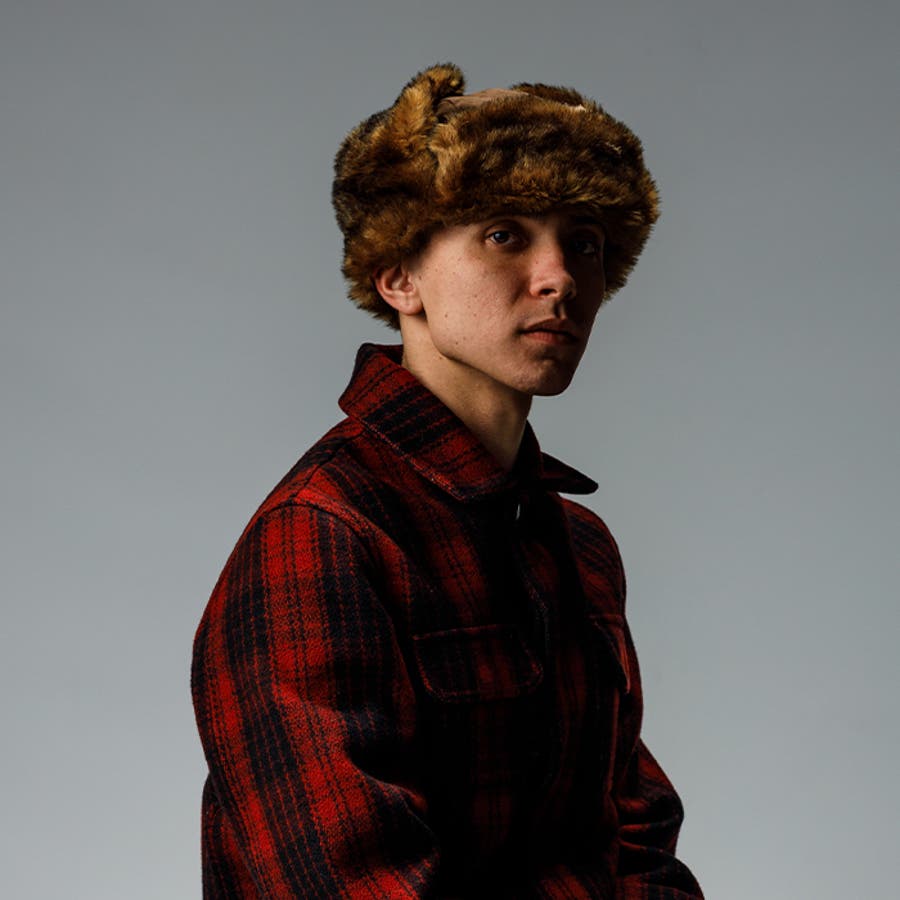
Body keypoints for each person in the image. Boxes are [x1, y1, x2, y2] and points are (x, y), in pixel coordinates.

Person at [192, 62, 704, 898]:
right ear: (399, 277)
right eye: (504, 234)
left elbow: (631, 832)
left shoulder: (577, 546)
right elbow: (348, 882)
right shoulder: (321, 535)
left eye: (584, 242)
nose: (561, 277)